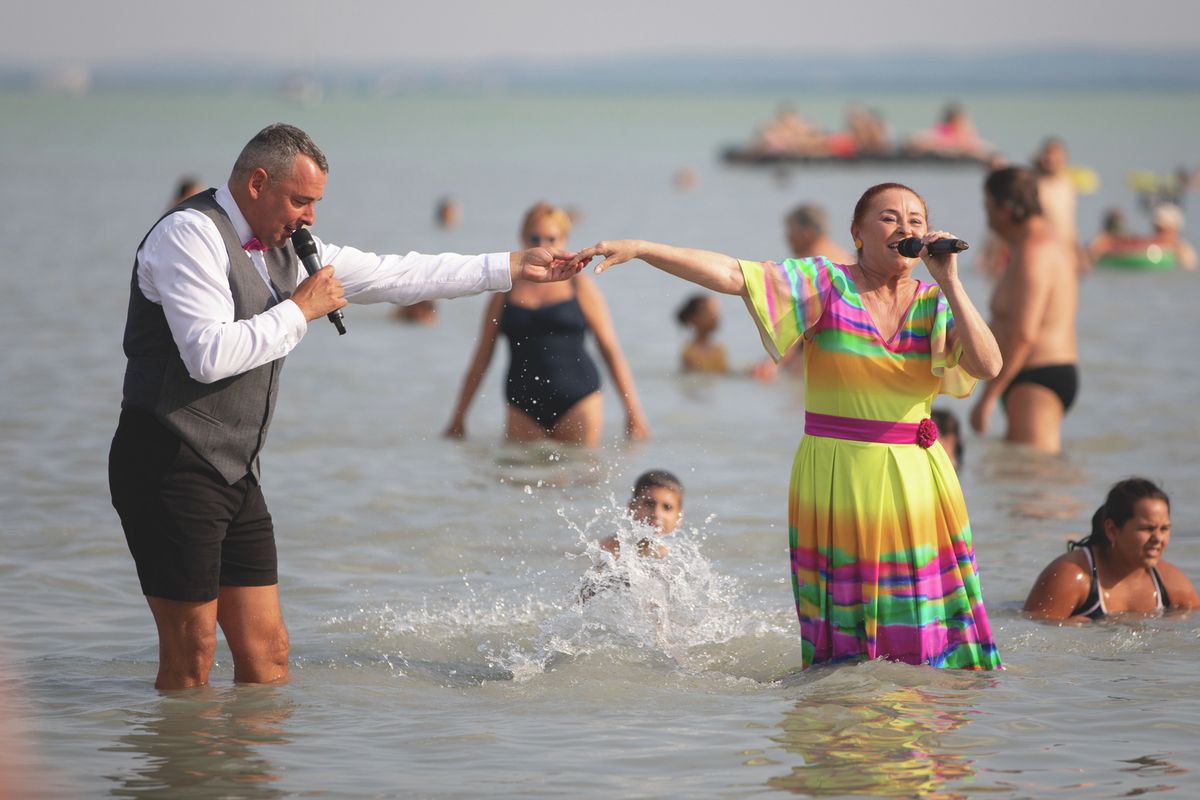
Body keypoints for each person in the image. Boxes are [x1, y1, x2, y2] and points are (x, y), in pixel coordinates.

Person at [109, 123, 580, 690]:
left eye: (315, 204)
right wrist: (300, 311)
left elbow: (398, 273)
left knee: (269, 653)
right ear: (257, 183)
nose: (309, 217)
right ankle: (184, 776)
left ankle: (250, 778)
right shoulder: (189, 235)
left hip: (234, 468)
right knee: (193, 654)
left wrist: (507, 266)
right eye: (301, 201)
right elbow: (207, 355)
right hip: (166, 458)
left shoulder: (291, 248)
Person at [570, 182, 1004, 670]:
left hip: (919, 483)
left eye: (916, 220)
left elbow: (989, 366)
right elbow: (736, 274)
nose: (904, 227)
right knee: (848, 655)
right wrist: (646, 249)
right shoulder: (823, 282)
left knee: (927, 635)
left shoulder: (934, 302)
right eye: (888, 217)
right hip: (836, 479)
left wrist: (950, 282)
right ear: (857, 232)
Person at [444, 202, 650, 446]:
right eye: (535, 237)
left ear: (564, 240)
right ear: (522, 238)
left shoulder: (580, 288)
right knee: (518, 479)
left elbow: (610, 349)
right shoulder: (503, 293)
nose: (542, 245)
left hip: (579, 400)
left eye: (551, 238)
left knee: (582, 477)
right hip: (522, 406)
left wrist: (634, 412)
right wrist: (458, 417)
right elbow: (482, 357)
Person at [970, 166, 1079, 454]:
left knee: (1035, 482)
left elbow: (1023, 334)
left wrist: (988, 398)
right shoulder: (1038, 243)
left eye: (988, 206)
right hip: (1030, 374)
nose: (987, 216)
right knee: (1018, 477)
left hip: (1036, 376)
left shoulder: (1034, 252)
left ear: (1006, 209)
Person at [1023, 478, 1199, 620]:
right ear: (1112, 530)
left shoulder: (1170, 583)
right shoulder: (1072, 576)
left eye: (1164, 529)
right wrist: (1067, 628)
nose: (1158, 539)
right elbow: (1033, 632)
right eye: (1147, 529)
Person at [753, 203, 854, 381]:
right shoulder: (843, 255)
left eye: (790, 231)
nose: (787, 237)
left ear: (806, 233)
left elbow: (803, 316)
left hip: (825, 347)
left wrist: (772, 363)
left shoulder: (812, 262)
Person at [599, 469, 684, 560]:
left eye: (667, 507)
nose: (656, 513)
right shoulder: (609, 547)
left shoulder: (680, 558)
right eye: (649, 504)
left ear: (679, 516)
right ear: (631, 508)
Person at [1033, 137, 1088, 273]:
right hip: (1043, 253)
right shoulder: (1034, 185)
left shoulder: (1067, 185)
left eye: (1056, 156)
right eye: (1048, 155)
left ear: (1064, 159)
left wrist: (1079, 253)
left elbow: (1069, 225)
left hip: (1066, 251)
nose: (1051, 160)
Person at [676, 294, 728, 373]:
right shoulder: (689, 351)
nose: (716, 317)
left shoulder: (720, 349)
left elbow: (725, 374)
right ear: (694, 318)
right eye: (710, 312)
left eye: (717, 312)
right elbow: (689, 377)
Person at [1149, 203, 1198, 270]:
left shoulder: (1185, 252)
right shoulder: (1150, 247)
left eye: (1163, 230)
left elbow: (1189, 268)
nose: (1159, 234)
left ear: (1174, 229)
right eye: (1157, 229)